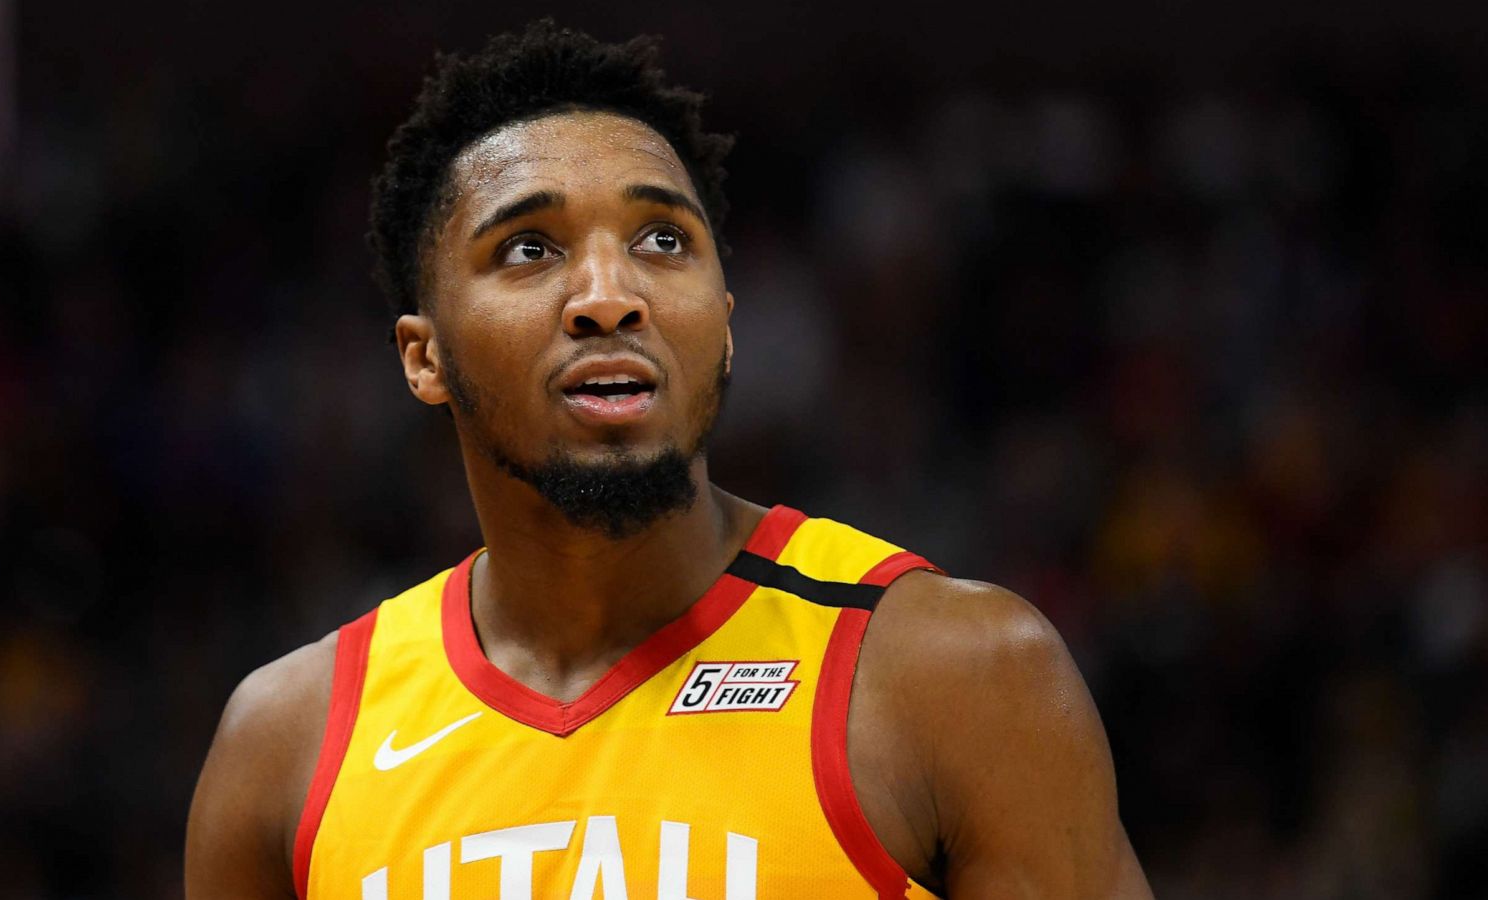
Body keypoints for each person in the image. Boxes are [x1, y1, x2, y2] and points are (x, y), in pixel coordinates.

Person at [185, 20, 1153, 900]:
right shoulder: (289, 746)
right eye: (528, 248)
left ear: (726, 331)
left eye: (662, 240)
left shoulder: (955, 676)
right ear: (423, 355)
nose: (609, 295)